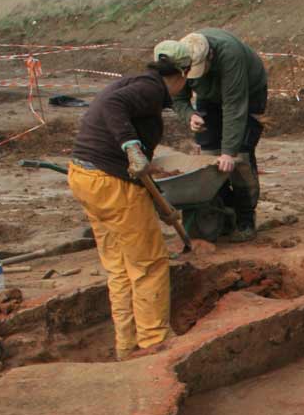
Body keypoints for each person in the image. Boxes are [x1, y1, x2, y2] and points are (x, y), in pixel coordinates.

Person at [67, 55, 188, 360]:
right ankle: (153, 343)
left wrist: (158, 202)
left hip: (85, 177)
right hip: (112, 183)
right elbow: (113, 107)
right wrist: (131, 148)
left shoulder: (134, 81)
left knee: (120, 267)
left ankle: (126, 345)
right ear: (182, 75)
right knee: (149, 264)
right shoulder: (151, 89)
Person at [153, 29, 268, 243]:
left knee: (238, 158)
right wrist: (190, 115)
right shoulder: (179, 57)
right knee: (209, 156)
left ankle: (245, 220)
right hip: (210, 97)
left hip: (247, 95)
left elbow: (234, 107)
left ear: (210, 57)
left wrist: (229, 152)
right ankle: (224, 213)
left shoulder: (229, 56)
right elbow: (178, 98)